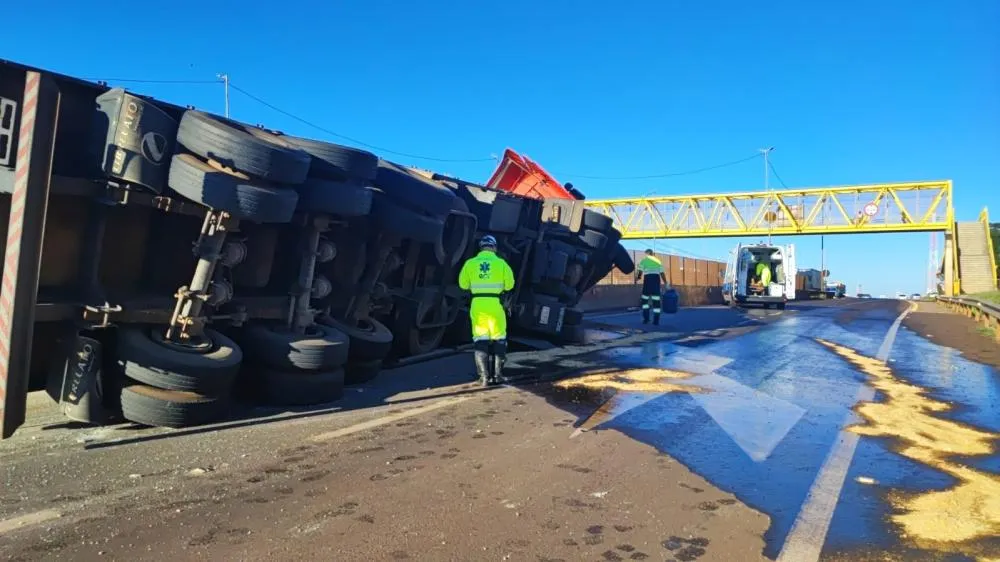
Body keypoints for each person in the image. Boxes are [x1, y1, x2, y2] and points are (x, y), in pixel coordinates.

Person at [458, 235, 515, 386]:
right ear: (494, 248)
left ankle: (483, 378)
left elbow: (463, 285)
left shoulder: (470, 264)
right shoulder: (501, 264)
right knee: (499, 339)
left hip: (478, 304)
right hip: (495, 304)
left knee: (480, 340)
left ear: (481, 247)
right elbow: (510, 285)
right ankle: (498, 376)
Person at [635, 249, 667, 325]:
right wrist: (666, 282)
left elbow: (639, 272)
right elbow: (662, 273)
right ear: (652, 254)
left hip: (647, 284)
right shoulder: (658, 261)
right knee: (656, 303)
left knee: (645, 302)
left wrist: (637, 278)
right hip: (656, 284)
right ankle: (656, 321)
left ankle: (646, 319)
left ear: (646, 254)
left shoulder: (644, 261)